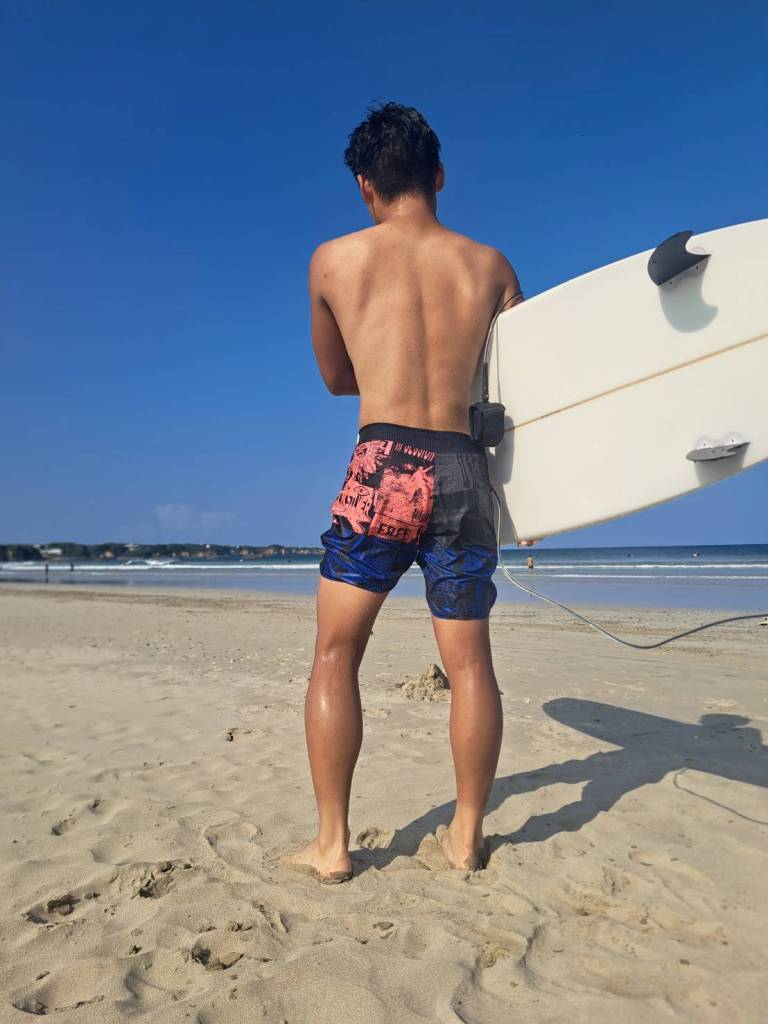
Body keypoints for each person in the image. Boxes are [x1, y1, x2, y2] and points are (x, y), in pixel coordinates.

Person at [283, 102, 526, 884]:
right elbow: (519, 386)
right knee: (471, 667)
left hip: (383, 464)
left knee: (335, 654)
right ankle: (466, 836)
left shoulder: (333, 260)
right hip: (462, 466)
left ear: (365, 185)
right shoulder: (491, 267)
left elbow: (335, 378)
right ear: (439, 175)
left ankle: (332, 844)